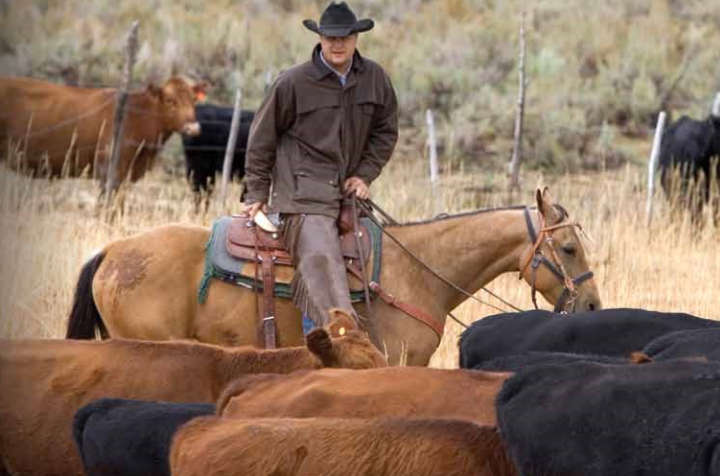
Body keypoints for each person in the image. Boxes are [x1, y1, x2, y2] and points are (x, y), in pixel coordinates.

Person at [242, 1, 398, 329]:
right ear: (320, 38)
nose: (337, 44)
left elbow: (386, 131)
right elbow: (261, 138)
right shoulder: (293, 82)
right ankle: (332, 342)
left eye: (344, 37)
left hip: (349, 194)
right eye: (330, 38)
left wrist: (364, 175)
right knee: (322, 269)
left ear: (356, 38)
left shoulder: (374, 78)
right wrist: (256, 192)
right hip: (303, 197)